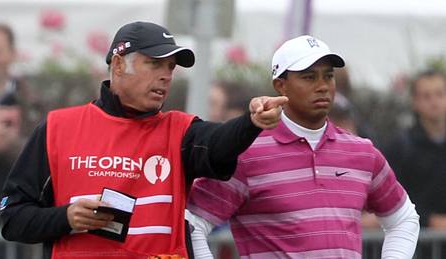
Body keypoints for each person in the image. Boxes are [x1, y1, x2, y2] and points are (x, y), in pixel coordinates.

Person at [0, 21, 287, 259]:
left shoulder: (181, 130)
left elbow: (219, 142)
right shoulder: (57, 128)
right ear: (120, 64)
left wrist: (251, 123)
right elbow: (14, 219)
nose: (166, 76)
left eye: (171, 67)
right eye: (154, 64)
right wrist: (67, 218)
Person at [187, 35, 420, 258]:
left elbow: (404, 218)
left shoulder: (361, 152)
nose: (322, 86)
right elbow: (193, 223)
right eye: (309, 77)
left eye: (328, 76)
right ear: (281, 86)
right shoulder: (246, 153)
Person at [0, 23, 41, 225]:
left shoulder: (35, 101)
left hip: (17, 217)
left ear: (12, 54)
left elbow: (45, 155)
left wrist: (13, 144)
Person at [384, 70, 446, 228]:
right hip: (417, 245)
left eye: (440, 94)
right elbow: (393, 199)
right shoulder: (400, 147)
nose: (434, 102)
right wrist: (430, 221)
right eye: (426, 96)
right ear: (415, 102)